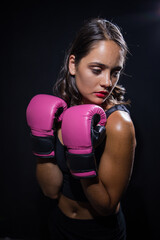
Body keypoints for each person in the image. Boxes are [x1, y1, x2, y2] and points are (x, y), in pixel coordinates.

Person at [26, 18, 136, 240]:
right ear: (73, 64)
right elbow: (50, 191)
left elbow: (106, 206)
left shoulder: (118, 123)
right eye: (97, 69)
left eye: (114, 72)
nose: (107, 81)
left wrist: (82, 157)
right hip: (58, 224)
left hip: (100, 232)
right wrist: (42, 144)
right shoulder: (60, 111)